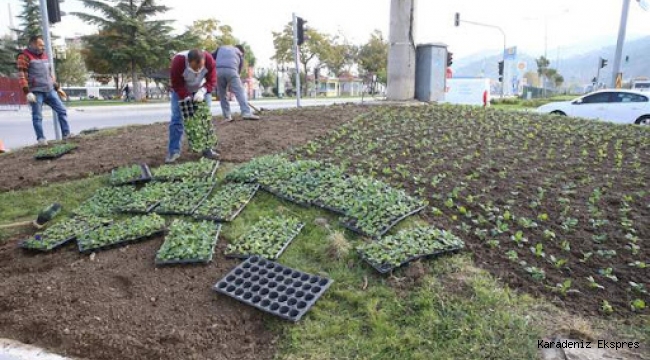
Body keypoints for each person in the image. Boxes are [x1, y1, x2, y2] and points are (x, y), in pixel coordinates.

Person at [17, 35, 70, 146]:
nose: (43, 47)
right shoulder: (24, 56)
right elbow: (22, 75)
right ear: (33, 44)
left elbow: (49, 75)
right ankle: (41, 139)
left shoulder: (44, 56)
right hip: (36, 92)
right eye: (40, 45)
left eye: (43, 45)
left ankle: (66, 135)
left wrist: (57, 87)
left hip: (50, 90)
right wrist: (27, 92)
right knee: (37, 116)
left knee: (62, 111)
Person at [167, 49, 218, 163]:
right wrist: (186, 96)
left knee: (204, 118)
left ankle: (207, 149)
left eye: (201, 67)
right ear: (189, 61)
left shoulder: (209, 60)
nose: (199, 70)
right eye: (196, 67)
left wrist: (203, 91)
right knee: (177, 119)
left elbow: (212, 80)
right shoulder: (178, 61)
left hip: (201, 89)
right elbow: (176, 84)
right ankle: (173, 152)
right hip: (182, 89)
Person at [213, 45, 260, 121]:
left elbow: (211, 57)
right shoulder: (239, 53)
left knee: (222, 95)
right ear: (241, 51)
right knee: (240, 92)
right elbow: (238, 71)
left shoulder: (221, 48)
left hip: (218, 71)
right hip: (232, 70)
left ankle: (227, 116)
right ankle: (246, 113)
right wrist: (233, 83)